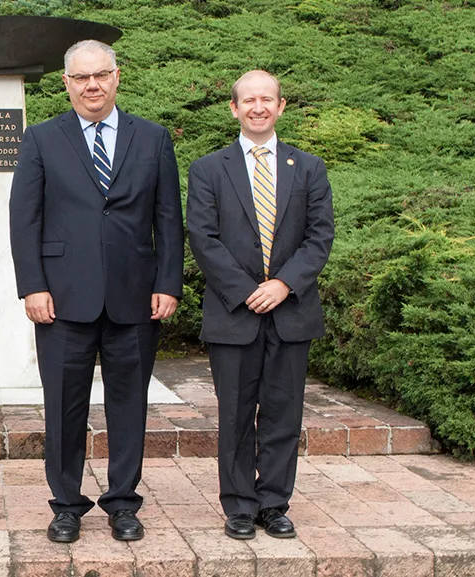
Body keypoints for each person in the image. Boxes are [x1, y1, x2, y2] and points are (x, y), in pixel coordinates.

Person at [9, 40, 184, 543]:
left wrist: (168, 282)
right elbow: (25, 218)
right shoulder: (41, 139)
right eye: (81, 77)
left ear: (116, 76)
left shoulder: (151, 138)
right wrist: (33, 286)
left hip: (136, 297)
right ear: (66, 83)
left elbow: (167, 218)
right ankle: (66, 505)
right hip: (61, 300)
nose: (92, 85)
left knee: (129, 404)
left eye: (101, 75)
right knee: (64, 407)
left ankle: (123, 503)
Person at [186, 70, 334, 540]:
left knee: (283, 413)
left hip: (292, 312)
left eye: (266, 99)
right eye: (248, 100)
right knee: (234, 414)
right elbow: (203, 238)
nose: (258, 107)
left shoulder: (308, 168)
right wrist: (248, 289)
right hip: (234, 313)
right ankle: (239, 506)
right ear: (234, 108)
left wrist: (284, 285)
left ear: (281, 106)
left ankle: (274, 503)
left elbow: (320, 236)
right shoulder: (209, 169)